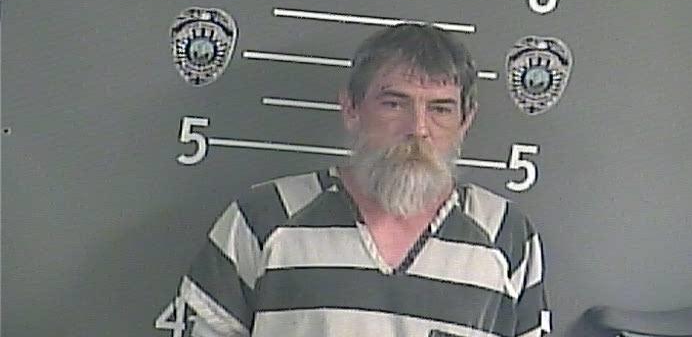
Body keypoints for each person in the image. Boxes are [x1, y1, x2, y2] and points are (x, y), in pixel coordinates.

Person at [175, 23, 551, 337]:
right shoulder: (262, 219)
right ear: (351, 108)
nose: (418, 128)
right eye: (394, 103)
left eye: (440, 108)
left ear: (465, 121)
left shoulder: (506, 234)